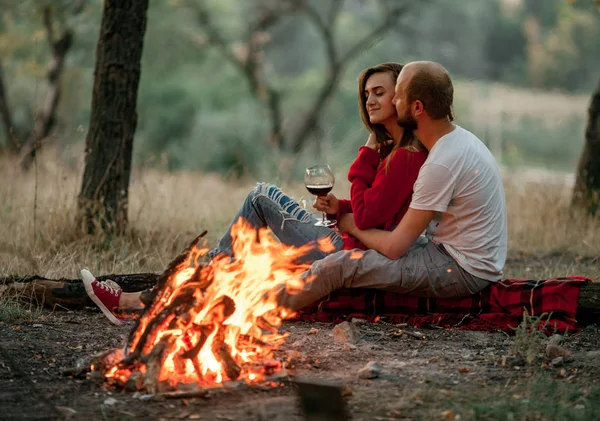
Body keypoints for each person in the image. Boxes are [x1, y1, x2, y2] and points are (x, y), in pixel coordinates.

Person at [81, 62, 428, 325]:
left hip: (346, 249)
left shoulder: (403, 156)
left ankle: (142, 303)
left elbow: (368, 218)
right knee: (240, 241)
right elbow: (380, 209)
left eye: (380, 92)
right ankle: (163, 298)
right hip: (349, 240)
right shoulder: (398, 149)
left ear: (401, 97)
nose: (370, 100)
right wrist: (340, 206)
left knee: (261, 198)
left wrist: (366, 152)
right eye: (366, 94)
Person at [276, 60, 508, 312]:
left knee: (339, 266)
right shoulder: (457, 140)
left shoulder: (440, 163)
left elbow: (394, 247)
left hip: (460, 270)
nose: (393, 104)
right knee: (338, 258)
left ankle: (257, 308)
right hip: (461, 257)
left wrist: (349, 222)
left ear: (417, 107)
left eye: (397, 96)